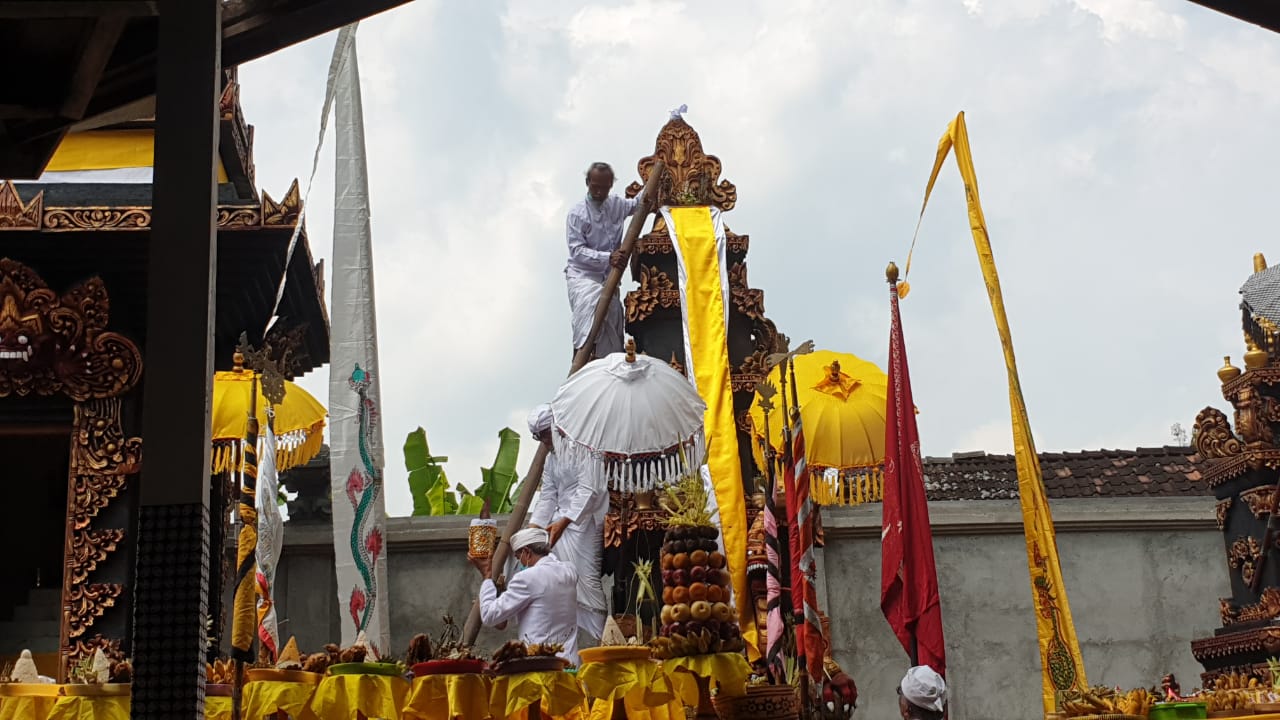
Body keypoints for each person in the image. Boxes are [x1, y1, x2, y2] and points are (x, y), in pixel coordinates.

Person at [526, 404, 609, 641]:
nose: (544, 441)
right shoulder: (551, 459)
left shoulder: (584, 446)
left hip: (584, 522)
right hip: (557, 525)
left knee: (587, 582)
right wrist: (533, 528)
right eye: (538, 437)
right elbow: (548, 496)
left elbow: (590, 489)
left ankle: (598, 639)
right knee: (561, 585)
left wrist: (564, 522)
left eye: (544, 434)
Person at [564, 161, 649, 360]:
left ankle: (607, 363)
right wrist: (608, 258)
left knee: (613, 318)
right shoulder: (577, 214)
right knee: (590, 310)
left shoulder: (616, 205)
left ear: (611, 185)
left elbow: (639, 204)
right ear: (587, 183)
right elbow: (577, 251)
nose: (599, 192)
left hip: (610, 280)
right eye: (595, 187)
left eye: (604, 187)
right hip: (583, 278)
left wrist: (654, 179)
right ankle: (584, 359)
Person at [472, 527, 581, 664]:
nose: (520, 564)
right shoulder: (569, 571)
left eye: (519, 558)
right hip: (570, 662)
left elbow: (489, 616)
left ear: (527, 552)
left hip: (541, 664)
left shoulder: (526, 578)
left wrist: (487, 576)